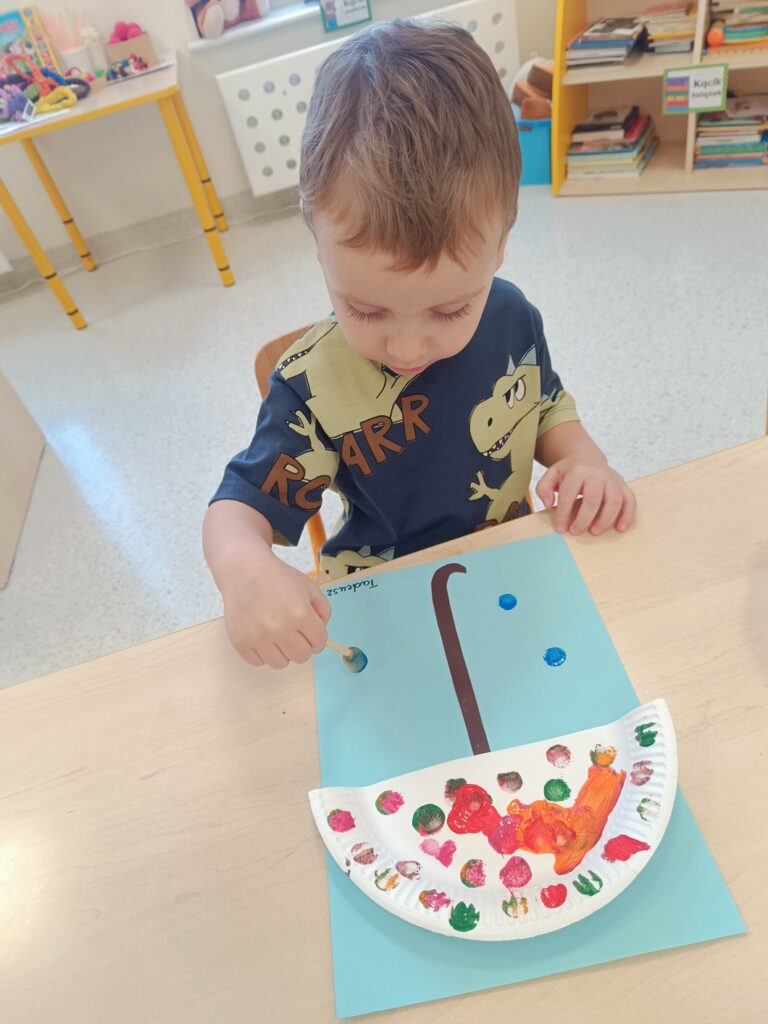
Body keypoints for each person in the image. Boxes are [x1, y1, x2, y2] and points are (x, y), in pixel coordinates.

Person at [203, 19, 636, 669]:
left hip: (509, 567)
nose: (406, 348)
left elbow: (544, 405)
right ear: (319, 253)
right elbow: (237, 510)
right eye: (366, 308)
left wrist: (585, 462)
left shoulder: (511, 315)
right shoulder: (310, 385)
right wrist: (242, 568)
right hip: (382, 603)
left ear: (500, 249)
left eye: (450, 308)